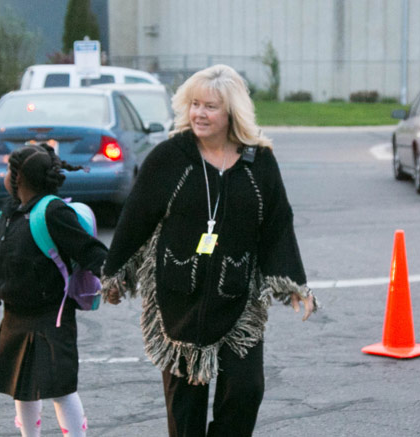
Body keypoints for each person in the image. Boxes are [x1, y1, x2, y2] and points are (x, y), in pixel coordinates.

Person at [101, 64, 317, 437]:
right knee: (185, 411)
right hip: (177, 297)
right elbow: (135, 216)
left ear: (232, 111)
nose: (199, 114)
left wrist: (294, 282)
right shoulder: (169, 157)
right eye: (194, 104)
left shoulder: (258, 161)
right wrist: (116, 273)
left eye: (210, 106)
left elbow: (278, 223)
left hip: (237, 296)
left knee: (247, 391)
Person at [0, 144, 106, 437]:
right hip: (16, 317)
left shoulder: (52, 212)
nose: (4, 174)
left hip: (52, 316)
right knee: (22, 390)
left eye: (8, 169)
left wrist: (111, 281)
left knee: (60, 389)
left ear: (19, 178)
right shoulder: (9, 212)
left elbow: (90, 250)